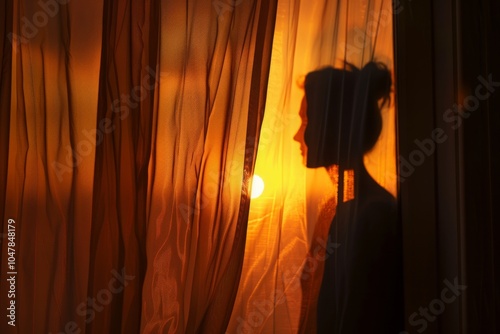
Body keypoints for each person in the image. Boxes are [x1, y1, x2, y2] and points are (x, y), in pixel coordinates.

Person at [295, 62, 404, 333]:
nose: (298, 136)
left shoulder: (373, 215)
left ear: (332, 127)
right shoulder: (338, 210)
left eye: (306, 121)